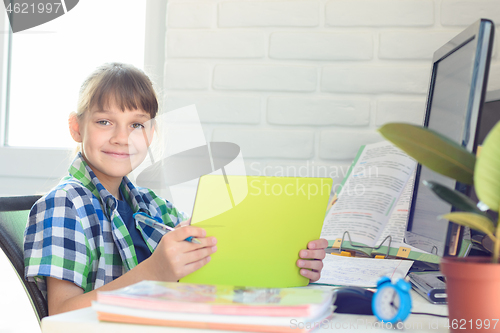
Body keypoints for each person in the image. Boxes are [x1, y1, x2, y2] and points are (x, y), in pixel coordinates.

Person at [24, 63, 328, 316]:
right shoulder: (65, 205)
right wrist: (154, 272)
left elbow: (216, 265)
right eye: (105, 121)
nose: (121, 137)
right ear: (77, 128)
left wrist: (289, 262)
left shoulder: (154, 206)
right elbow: (62, 315)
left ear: (151, 134)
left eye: (136, 125)